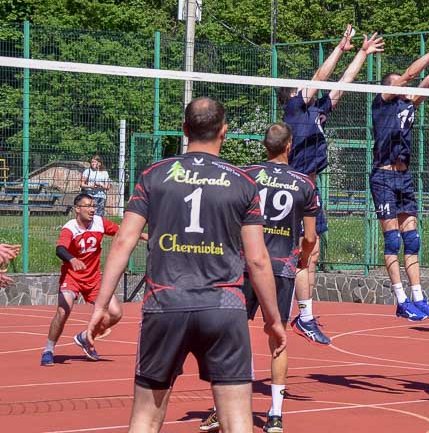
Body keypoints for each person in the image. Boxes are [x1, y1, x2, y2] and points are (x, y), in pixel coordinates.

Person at [85, 97, 287, 433]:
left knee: (146, 418)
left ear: (184, 130)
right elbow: (257, 258)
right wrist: (273, 320)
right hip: (223, 307)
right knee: (237, 420)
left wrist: (101, 305)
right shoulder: (243, 183)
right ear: (224, 132)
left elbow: (124, 240)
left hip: (165, 304)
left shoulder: (154, 175)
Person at [200, 122, 318, 433]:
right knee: (277, 338)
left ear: (264, 145)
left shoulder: (246, 175)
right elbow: (310, 236)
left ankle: (222, 408)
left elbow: (227, 217)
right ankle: (275, 415)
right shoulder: (304, 183)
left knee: (230, 336)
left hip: (242, 266)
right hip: (281, 269)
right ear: (289, 145)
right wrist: (303, 258)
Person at [281, 25, 384, 344]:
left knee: (311, 253)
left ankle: (303, 314)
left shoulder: (316, 111)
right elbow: (319, 78)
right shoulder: (294, 109)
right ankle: (293, 312)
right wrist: (341, 48)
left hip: (312, 190)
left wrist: (363, 55)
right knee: (297, 255)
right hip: (295, 190)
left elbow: (342, 85)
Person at [371, 30, 429, 321]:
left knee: (412, 241)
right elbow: (411, 75)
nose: (404, 83)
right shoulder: (382, 101)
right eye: (399, 81)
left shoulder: (409, 103)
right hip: (383, 177)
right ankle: (400, 299)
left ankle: (418, 296)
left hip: (404, 177)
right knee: (393, 242)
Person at [40, 194, 142, 366]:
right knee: (63, 311)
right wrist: (72, 259)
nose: (92, 209)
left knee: (116, 313)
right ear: (77, 209)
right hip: (72, 277)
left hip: (93, 280)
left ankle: (85, 338)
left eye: (93, 205)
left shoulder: (100, 223)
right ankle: (48, 350)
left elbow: (122, 232)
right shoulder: (70, 228)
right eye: (87, 205)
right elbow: (60, 249)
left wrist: (144, 236)